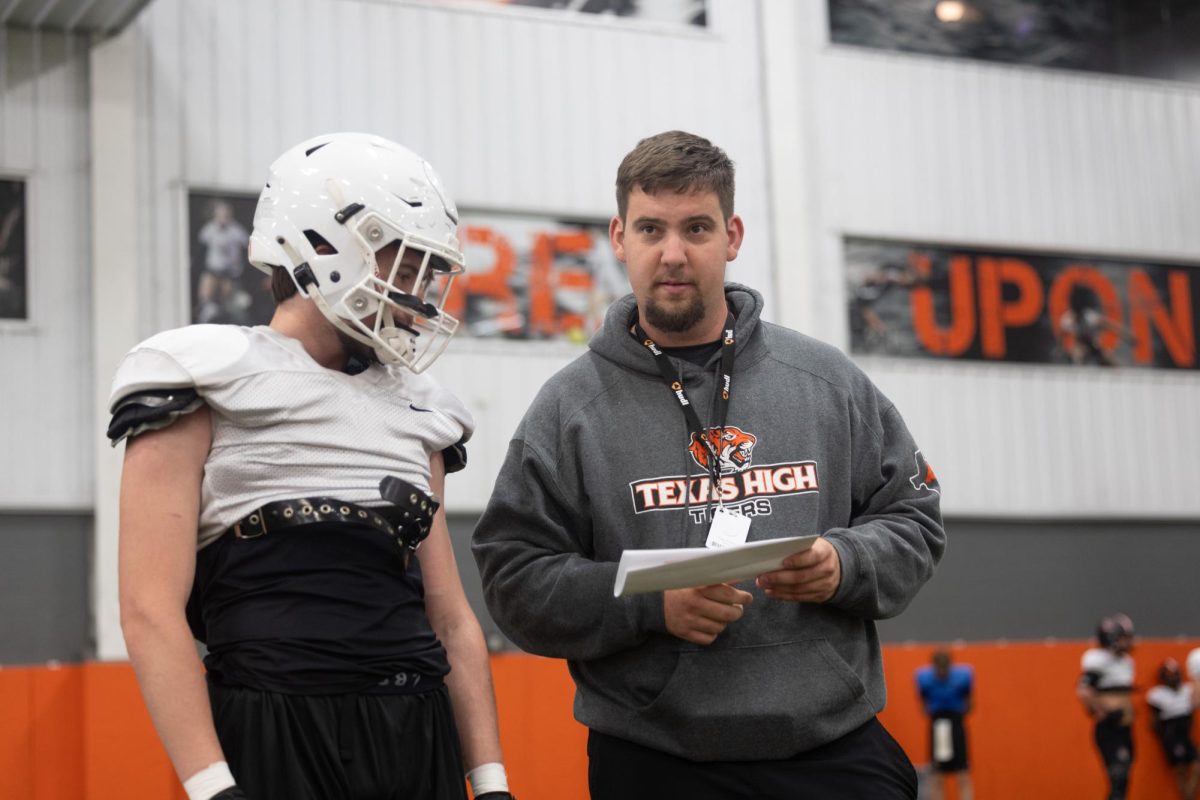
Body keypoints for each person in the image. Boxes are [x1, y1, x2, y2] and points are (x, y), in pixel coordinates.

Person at [472, 130, 946, 800]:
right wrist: (650, 605)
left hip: (832, 749)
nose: (673, 254)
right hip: (655, 760)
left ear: (732, 235)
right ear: (619, 237)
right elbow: (514, 578)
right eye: (651, 229)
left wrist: (845, 564)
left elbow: (915, 518)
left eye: (696, 227)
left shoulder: (826, 382)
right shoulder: (568, 410)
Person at [109, 133, 512, 800]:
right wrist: (212, 786)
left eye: (425, 272)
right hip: (274, 724)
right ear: (322, 246)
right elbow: (149, 609)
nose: (416, 293)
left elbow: (448, 616)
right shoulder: (202, 376)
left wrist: (491, 780)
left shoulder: (420, 408)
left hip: (417, 728)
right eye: (403, 264)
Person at [1077, 613, 1137, 800]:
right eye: (1124, 637)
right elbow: (1084, 690)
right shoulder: (1097, 660)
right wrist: (1104, 712)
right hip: (1110, 728)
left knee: (1123, 779)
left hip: (1124, 727)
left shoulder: (1126, 662)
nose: (1128, 642)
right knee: (1118, 776)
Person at [915, 649, 974, 800]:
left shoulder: (963, 677)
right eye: (939, 670)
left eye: (944, 669)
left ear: (950, 667)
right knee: (938, 773)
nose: (941, 673)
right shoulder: (924, 679)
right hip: (938, 725)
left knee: (962, 771)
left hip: (956, 723)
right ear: (933, 667)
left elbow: (970, 704)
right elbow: (923, 705)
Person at [1146, 658, 1199, 800]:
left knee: (1195, 764)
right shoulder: (1157, 694)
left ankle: (1189, 795)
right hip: (1172, 734)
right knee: (1180, 768)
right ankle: (1186, 797)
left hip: (1185, 732)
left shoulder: (1187, 689)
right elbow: (1154, 721)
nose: (1173, 678)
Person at [194, 200, 251, 324]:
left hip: (229, 273)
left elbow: (248, 246)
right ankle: (206, 313)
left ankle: (224, 317)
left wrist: (240, 267)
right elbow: (201, 249)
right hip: (213, 270)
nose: (223, 217)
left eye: (226, 214)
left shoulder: (236, 230)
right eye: (220, 214)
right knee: (206, 294)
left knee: (227, 300)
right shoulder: (209, 229)